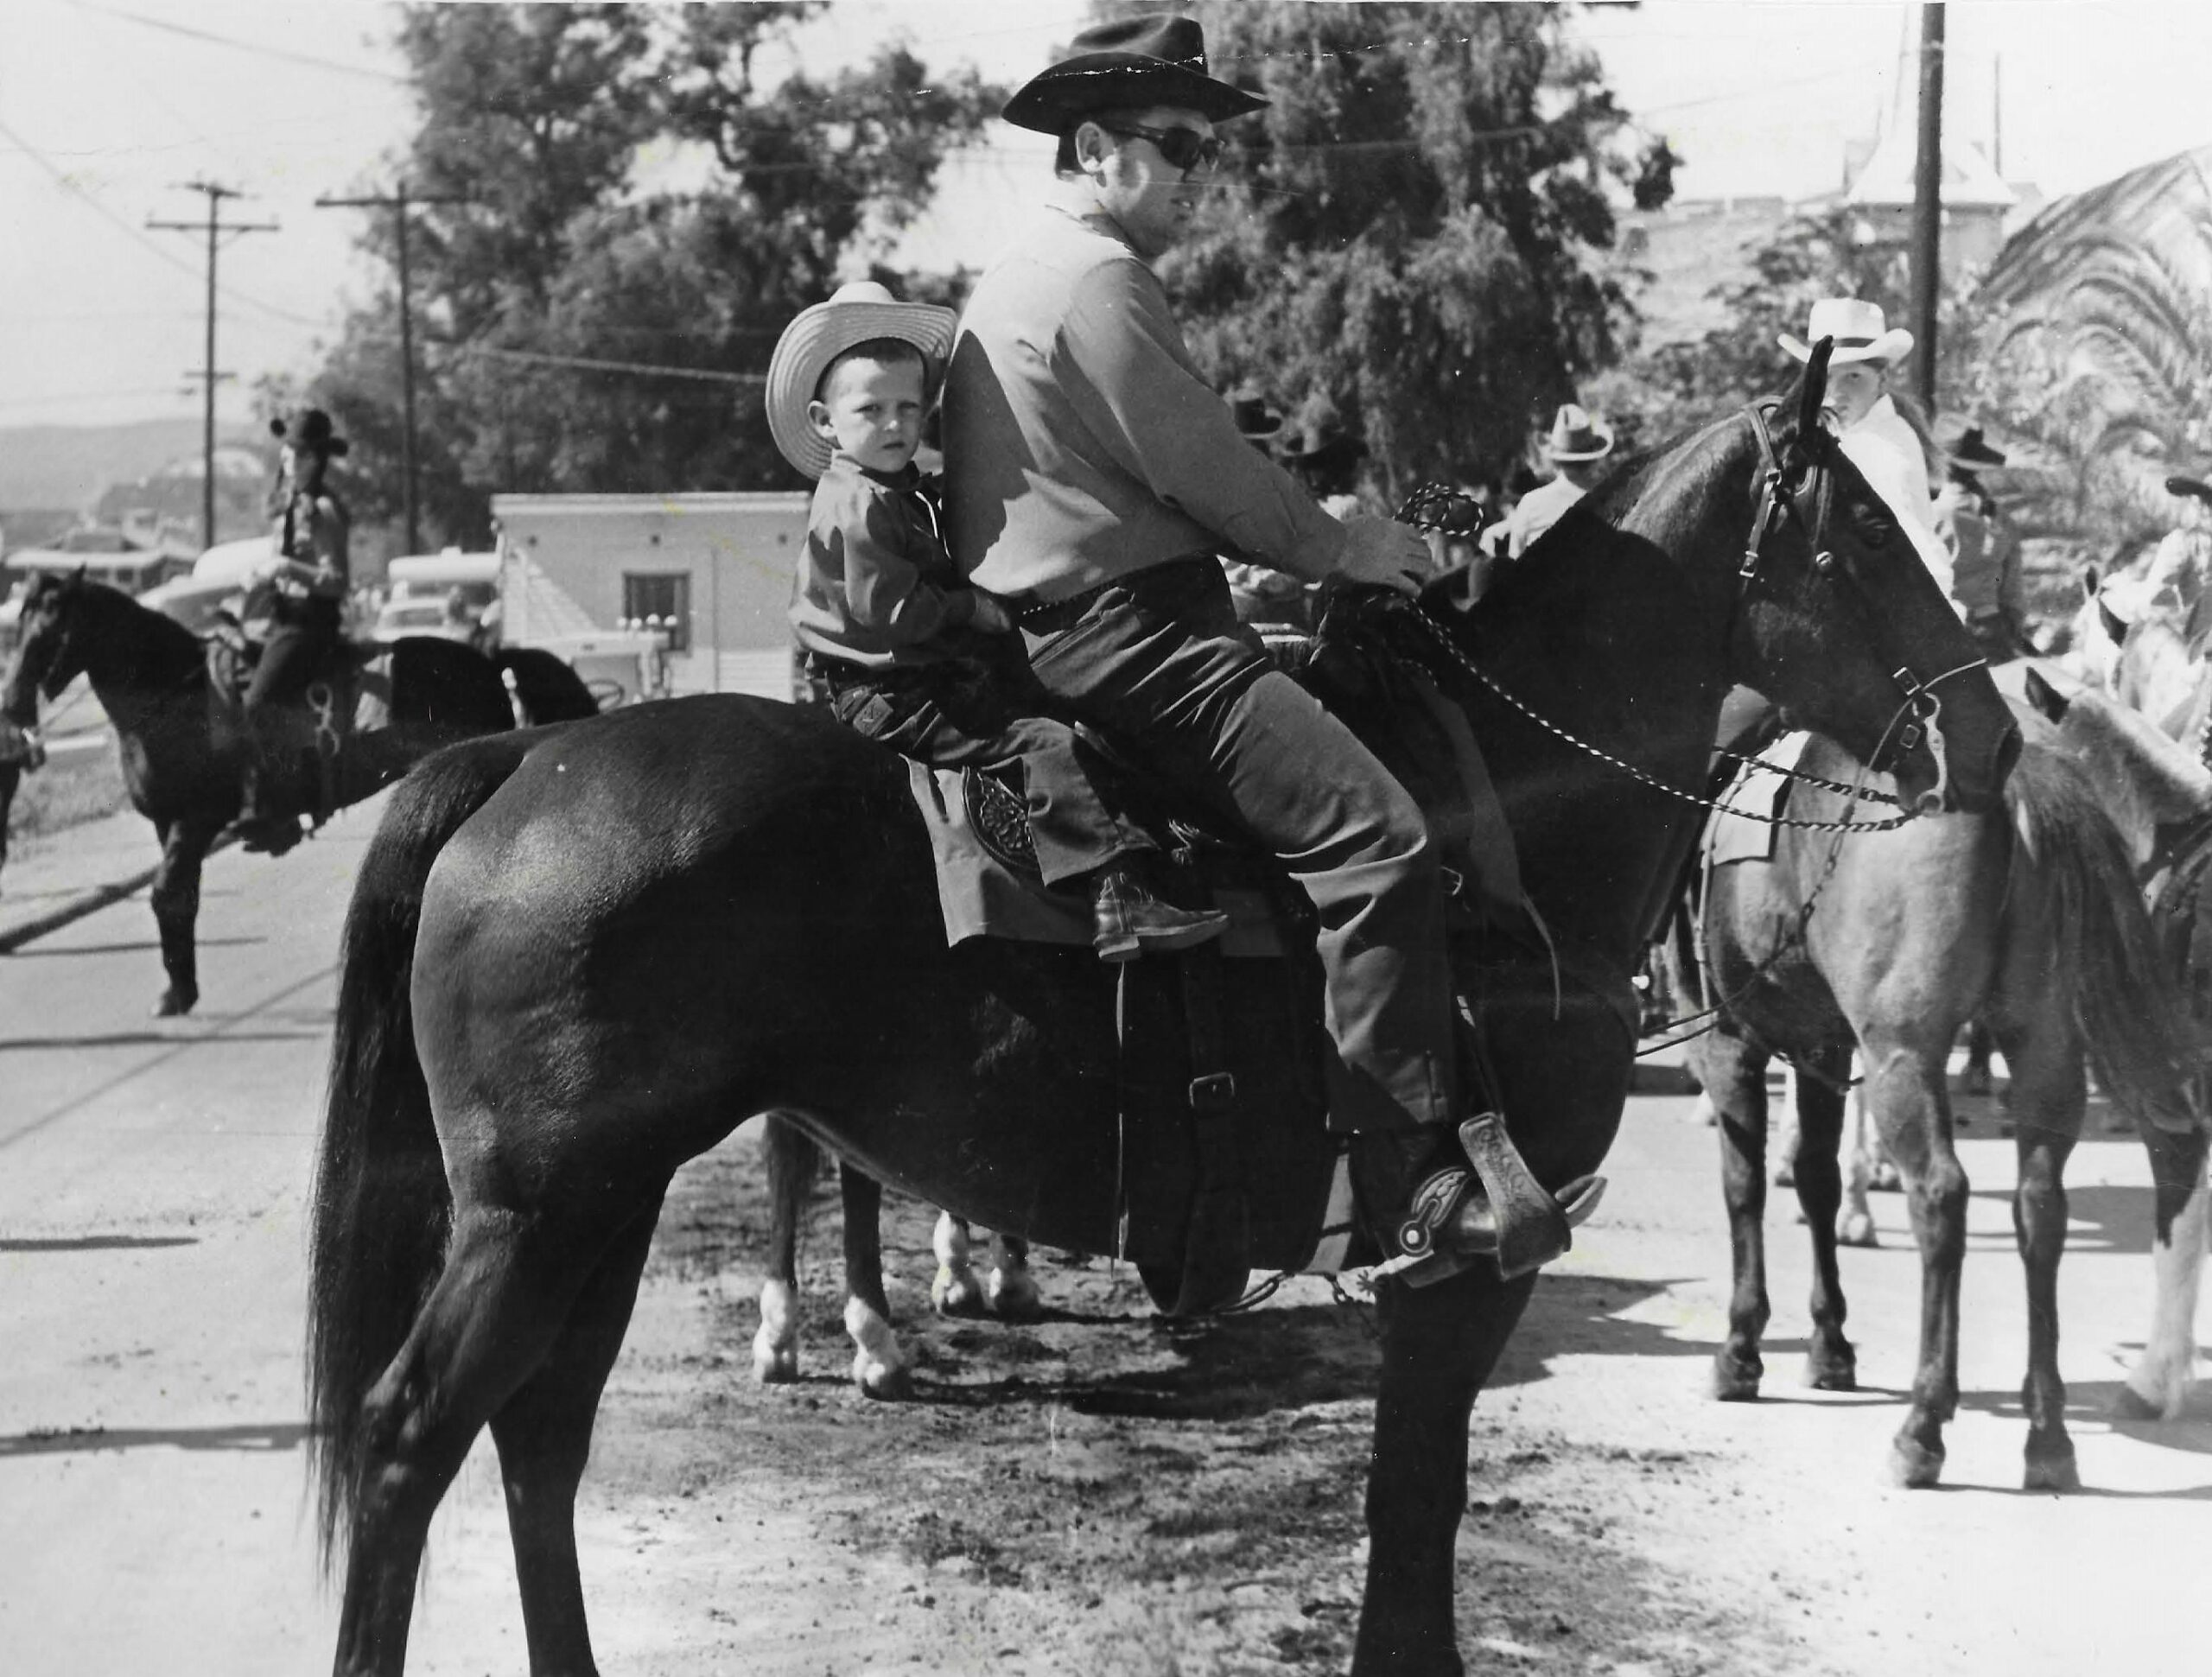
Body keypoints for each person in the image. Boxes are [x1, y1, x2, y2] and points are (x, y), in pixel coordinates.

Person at [942, 13, 1584, 1281]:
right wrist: (1353, 547)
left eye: (1202, 148)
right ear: (1092, 146)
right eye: (1177, 144)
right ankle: (1416, 1184)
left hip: (1085, 626)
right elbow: (1207, 467)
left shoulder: (1022, 277)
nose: (1198, 171)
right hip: (1144, 643)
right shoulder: (1098, 279)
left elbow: (1151, 476)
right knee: (1381, 835)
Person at [771, 278, 1226, 962]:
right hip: (887, 689)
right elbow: (890, 611)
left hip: (906, 670)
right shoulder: (857, 506)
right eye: (872, 410)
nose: (896, 425)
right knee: (1041, 740)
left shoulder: (896, 491)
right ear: (825, 419)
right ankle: (1116, 899)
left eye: (909, 409)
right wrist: (973, 609)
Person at [1777, 297, 1956, 600]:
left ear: (1882, 379)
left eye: (1853, 376)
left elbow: (1921, 552)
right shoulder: (1846, 434)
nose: (1836, 393)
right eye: (1826, 378)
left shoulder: (1881, 446)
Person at [234, 407, 353, 855]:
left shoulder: (323, 510)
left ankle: (282, 812)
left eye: (300, 453)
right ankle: (246, 799)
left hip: (311, 624)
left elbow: (337, 580)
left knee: (260, 703)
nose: (290, 459)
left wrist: (284, 567)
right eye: (287, 450)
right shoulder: (289, 508)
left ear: (317, 460)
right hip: (283, 618)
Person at [1218, 384, 1313, 629]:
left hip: (1227, 602)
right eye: (1261, 446)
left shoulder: (1214, 488)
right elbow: (1273, 578)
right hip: (1253, 606)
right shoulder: (1259, 491)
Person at [1932, 422, 2026, 660]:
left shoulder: (1930, 515)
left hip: (1945, 630)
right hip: (1991, 629)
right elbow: (2012, 587)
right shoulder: (2001, 518)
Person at [1497, 403, 1613, 559]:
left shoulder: (1531, 505)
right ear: (1594, 456)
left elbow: (1515, 566)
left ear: (1557, 459)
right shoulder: (1612, 494)